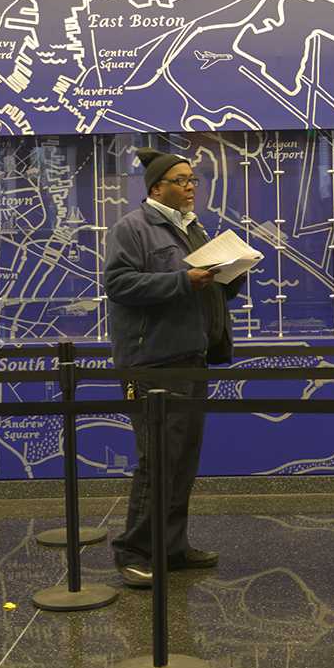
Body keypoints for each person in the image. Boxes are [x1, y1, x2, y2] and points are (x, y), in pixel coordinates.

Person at [104, 148, 244, 589]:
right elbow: (119, 285)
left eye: (193, 180)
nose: (190, 187)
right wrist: (183, 281)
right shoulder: (133, 228)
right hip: (153, 362)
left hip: (191, 358)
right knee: (157, 461)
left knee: (182, 460)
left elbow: (208, 286)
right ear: (156, 187)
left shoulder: (193, 228)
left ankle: (172, 546)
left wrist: (231, 273)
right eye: (181, 180)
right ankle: (134, 551)